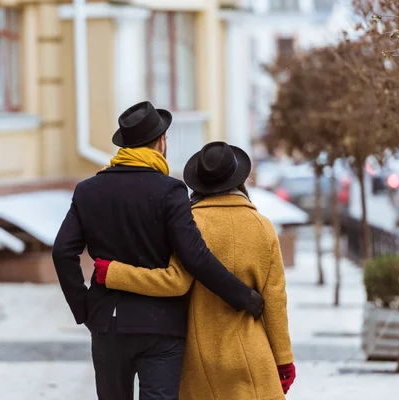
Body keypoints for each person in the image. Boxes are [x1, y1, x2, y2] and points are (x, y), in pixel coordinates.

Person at [52, 102, 264, 400]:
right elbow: (195, 256)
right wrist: (245, 297)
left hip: (107, 323)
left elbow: (62, 252)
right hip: (161, 328)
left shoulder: (88, 190)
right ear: (161, 142)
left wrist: (84, 308)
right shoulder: (169, 190)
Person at [93, 142, 295, 400]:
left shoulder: (188, 224)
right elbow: (276, 300)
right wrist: (283, 360)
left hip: (199, 359)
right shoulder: (263, 227)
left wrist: (113, 273)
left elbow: (174, 282)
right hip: (253, 354)